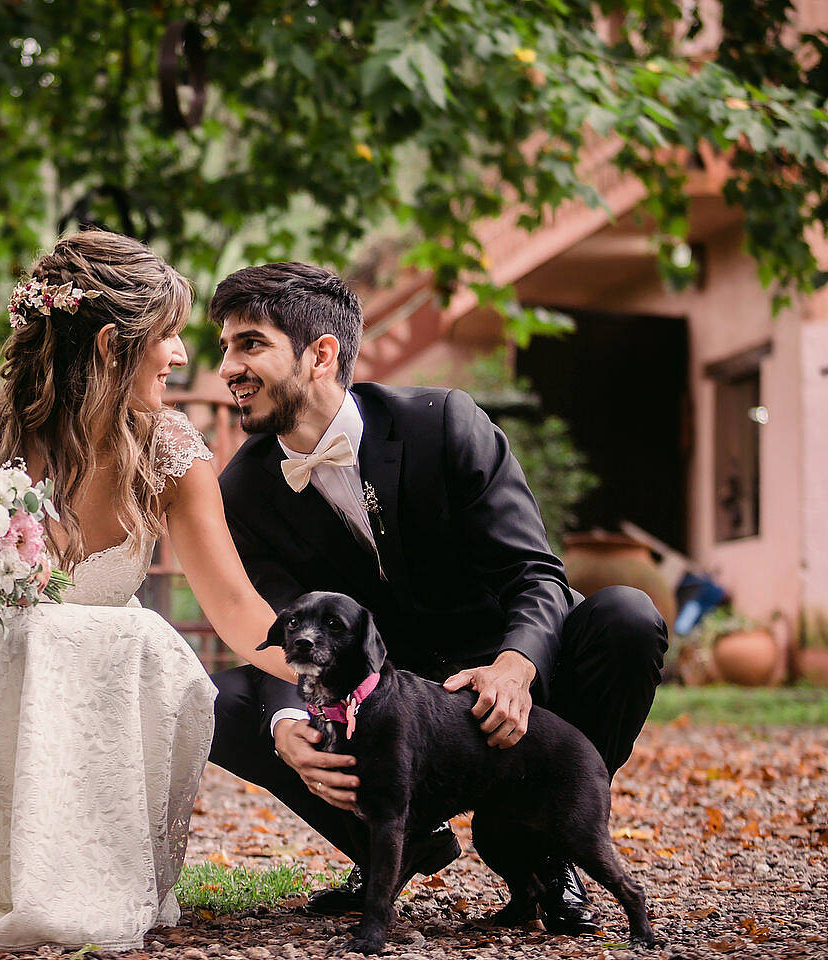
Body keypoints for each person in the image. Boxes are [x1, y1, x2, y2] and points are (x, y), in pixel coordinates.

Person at [0, 229, 297, 952]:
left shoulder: (170, 450)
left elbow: (239, 614)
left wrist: (343, 683)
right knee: (60, 631)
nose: (183, 356)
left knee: (145, 636)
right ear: (113, 345)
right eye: (170, 336)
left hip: (109, 708)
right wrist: (11, 576)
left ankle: (103, 866)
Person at [206, 262, 668, 932]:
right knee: (226, 700)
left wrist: (515, 666)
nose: (228, 367)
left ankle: (547, 841)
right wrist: (288, 730)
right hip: (381, 698)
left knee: (627, 617)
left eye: (249, 344)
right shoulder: (244, 490)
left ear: (321, 356)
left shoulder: (443, 423)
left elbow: (536, 574)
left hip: (502, 678)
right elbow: (285, 629)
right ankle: (385, 845)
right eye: (226, 347)